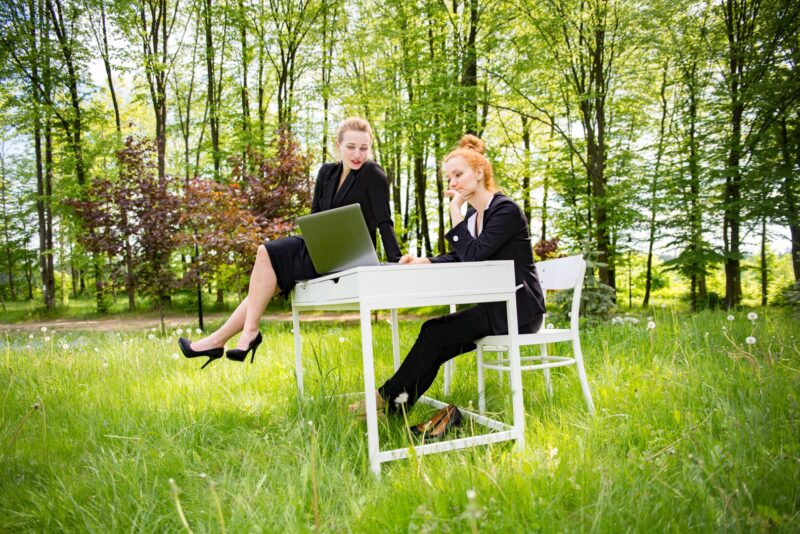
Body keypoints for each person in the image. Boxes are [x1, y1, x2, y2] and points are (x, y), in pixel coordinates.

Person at [350, 134, 545, 438]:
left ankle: (384, 397)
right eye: (449, 177)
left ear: (479, 172)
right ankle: (393, 410)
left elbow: (475, 256)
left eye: (458, 174)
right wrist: (425, 261)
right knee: (436, 340)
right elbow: (460, 255)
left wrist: (455, 212)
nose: (453, 183)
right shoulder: (474, 216)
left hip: (519, 311)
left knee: (435, 332)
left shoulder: (505, 210)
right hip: (495, 309)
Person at [179, 117, 402, 368]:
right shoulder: (327, 173)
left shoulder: (373, 173)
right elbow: (316, 217)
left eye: (364, 148)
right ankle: (220, 339)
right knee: (267, 269)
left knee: (267, 254)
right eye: (351, 147)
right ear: (338, 145)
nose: (358, 154)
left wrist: (396, 260)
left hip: (350, 255)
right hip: (320, 249)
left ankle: (240, 334)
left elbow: (384, 221)